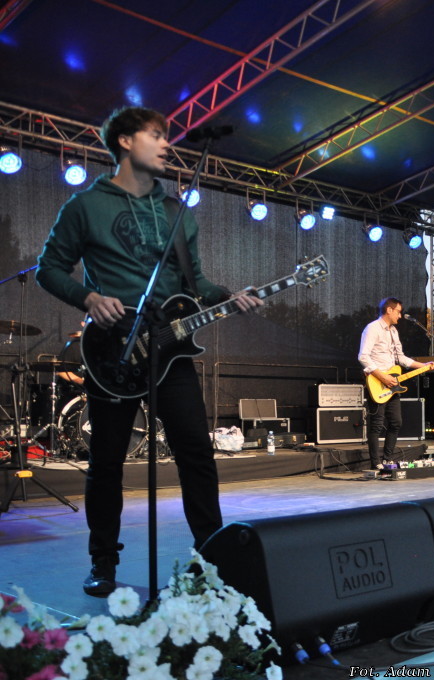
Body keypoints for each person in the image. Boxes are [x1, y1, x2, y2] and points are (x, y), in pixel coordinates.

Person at [36, 106, 263, 596]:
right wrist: (89, 298)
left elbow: (195, 282)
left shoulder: (178, 212)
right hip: (113, 351)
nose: (167, 144)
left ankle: (212, 558)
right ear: (124, 141)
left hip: (170, 350)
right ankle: (102, 561)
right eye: (156, 135)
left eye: (167, 136)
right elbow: (48, 269)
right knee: (107, 462)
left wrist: (230, 296)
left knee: (196, 454)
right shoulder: (85, 206)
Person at [358, 298, 434, 470]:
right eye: (398, 312)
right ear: (389, 310)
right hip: (377, 382)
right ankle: (375, 463)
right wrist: (382, 377)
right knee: (377, 424)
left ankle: (387, 460)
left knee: (396, 422)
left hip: (392, 383)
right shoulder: (372, 328)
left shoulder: (393, 331)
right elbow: (363, 356)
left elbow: (401, 358)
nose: (400, 316)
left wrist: (425, 366)